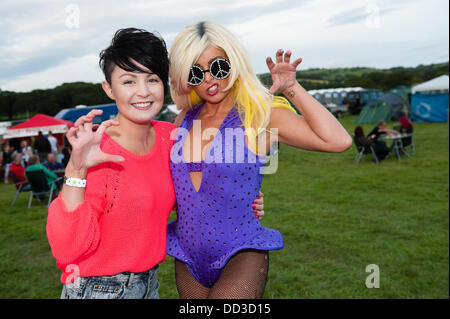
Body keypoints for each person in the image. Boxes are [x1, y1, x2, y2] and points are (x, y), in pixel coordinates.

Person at [45, 28, 266, 300]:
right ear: (109, 89)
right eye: (128, 81)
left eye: (152, 79)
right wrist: (75, 169)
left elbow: (184, 196)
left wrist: (239, 199)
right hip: (97, 288)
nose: (143, 92)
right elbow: (68, 249)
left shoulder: (171, 137)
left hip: (149, 285)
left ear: (165, 85)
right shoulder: (96, 149)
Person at [167, 21, 352, 299]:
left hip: (241, 250)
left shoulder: (261, 115)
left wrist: (291, 87)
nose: (209, 79)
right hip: (187, 254)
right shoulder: (183, 120)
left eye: (218, 67)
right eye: (195, 72)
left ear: (235, 63)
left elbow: (337, 140)